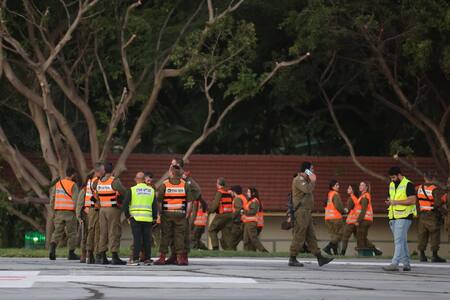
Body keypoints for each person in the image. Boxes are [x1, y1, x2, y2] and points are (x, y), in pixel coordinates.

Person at [288, 161, 333, 267]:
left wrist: (310, 180)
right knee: (299, 235)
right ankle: (292, 258)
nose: (313, 171)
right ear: (306, 170)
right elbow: (307, 189)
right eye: (311, 169)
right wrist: (312, 181)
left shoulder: (305, 180)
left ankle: (319, 257)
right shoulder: (298, 180)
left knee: (311, 236)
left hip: (307, 212)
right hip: (301, 212)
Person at [154, 165, 196, 265]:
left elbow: (159, 201)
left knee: (166, 235)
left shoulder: (165, 184)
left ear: (172, 173)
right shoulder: (184, 184)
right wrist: (187, 214)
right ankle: (180, 258)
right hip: (180, 214)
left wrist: (160, 212)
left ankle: (162, 257)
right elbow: (190, 202)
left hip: (167, 214)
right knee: (179, 236)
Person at [383, 167, 417, 272]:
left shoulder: (408, 184)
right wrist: (389, 202)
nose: (392, 179)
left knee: (398, 241)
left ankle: (395, 263)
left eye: (393, 177)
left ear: (399, 175)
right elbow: (391, 198)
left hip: (404, 216)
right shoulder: (392, 185)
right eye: (391, 178)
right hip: (393, 216)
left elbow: (412, 200)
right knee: (402, 241)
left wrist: (395, 202)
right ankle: (406, 264)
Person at [95, 162, 127, 265]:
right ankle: (114, 256)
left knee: (103, 232)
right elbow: (124, 192)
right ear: (113, 171)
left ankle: (103, 256)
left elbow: (96, 195)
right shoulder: (114, 181)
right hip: (112, 209)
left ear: (104, 171)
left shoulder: (99, 182)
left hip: (102, 210)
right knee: (114, 231)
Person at [123, 172, 157, 266]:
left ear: (137, 179)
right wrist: (154, 218)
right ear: (144, 180)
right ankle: (147, 259)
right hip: (148, 219)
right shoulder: (151, 190)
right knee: (147, 239)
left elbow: (125, 204)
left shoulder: (132, 190)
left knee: (137, 239)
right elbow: (154, 206)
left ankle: (135, 259)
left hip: (135, 218)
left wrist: (127, 216)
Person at [49, 167, 80, 261]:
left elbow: (52, 199)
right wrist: (77, 212)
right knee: (72, 233)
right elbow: (76, 201)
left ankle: (52, 250)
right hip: (70, 212)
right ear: (73, 175)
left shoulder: (58, 184)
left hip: (58, 211)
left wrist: (54, 211)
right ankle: (71, 253)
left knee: (57, 232)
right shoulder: (73, 185)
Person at [76, 163, 104, 264]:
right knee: (94, 234)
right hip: (92, 211)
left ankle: (87, 254)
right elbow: (82, 201)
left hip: (88, 211)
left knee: (88, 234)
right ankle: (92, 254)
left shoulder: (88, 184)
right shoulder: (96, 183)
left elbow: (82, 201)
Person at [416, 172, 447, 262]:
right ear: (433, 178)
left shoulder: (419, 188)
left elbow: (416, 201)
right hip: (432, 214)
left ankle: (422, 255)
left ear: (424, 178)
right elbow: (438, 204)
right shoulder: (434, 189)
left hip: (422, 215)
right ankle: (434, 255)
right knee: (435, 234)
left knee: (422, 234)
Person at [345, 181, 381, 256]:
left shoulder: (365, 197)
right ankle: (373, 251)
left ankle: (362, 253)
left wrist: (358, 221)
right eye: (360, 185)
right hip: (365, 219)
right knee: (363, 237)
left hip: (365, 220)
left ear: (366, 188)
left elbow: (363, 210)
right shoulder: (362, 196)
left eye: (362, 185)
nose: (360, 186)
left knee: (360, 237)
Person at [208, 178, 234, 250]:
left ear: (219, 184)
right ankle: (229, 250)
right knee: (226, 234)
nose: (216, 184)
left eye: (216, 183)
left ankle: (215, 247)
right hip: (229, 215)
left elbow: (215, 205)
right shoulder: (228, 193)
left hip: (221, 215)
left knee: (212, 230)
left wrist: (209, 211)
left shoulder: (219, 192)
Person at [323, 180, 346, 255]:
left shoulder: (329, 194)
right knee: (340, 234)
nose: (338, 186)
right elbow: (338, 206)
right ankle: (328, 247)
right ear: (332, 186)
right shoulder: (335, 194)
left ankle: (335, 253)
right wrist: (344, 211)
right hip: (336, 218)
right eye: (336, 185)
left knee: (333, 236)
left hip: (328, 218)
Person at [242, 187, 268, 252]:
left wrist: (243, 211)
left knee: (253, 238)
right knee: (246, 240)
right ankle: (249, 253)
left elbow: (252, 212)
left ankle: (263, 251)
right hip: (248, 222)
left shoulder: (254, 201)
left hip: (251, 222)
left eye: (248, 192)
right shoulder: (251, 201)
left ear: (253, 193)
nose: (247, 193)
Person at [341, 184, 359, 255]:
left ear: (353, 191)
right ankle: (363, 251)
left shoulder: (351, 199)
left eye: (349, 188)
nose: (347, 189)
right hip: (357, 221)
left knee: (345, 237)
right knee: (358, 238)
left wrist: (341, 210)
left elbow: (347, 210)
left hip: (351, 221)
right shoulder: (356, 198)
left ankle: (342, 253)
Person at [230, 185, 247, 250]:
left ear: (234, 192)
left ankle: (231, 256)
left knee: (231, 242)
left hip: (238, 222)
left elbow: (238, 209)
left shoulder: (237, 199)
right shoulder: (243, 197)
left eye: (231, 191)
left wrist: (232, 217)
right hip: (243, 221)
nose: (231, 193)